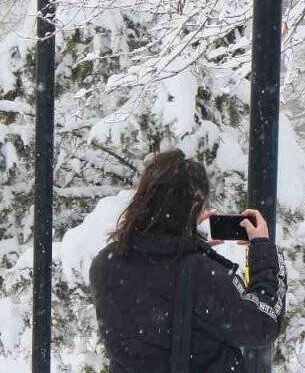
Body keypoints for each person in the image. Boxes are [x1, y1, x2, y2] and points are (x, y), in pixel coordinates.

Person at [89, 149, 286, 373]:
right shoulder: (200, 274)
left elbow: (153, 307)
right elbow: (262, 324)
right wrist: (264, 251)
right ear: (194, 205)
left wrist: (189, 245)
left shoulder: (105, 264)